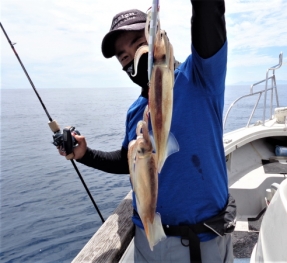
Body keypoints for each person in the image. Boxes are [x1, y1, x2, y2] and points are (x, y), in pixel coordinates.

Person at [59, 0, 235, 262]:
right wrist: (86, 154)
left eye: (139, 42)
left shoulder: (200, 76)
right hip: (148, 245)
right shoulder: (135, 112)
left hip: (204, 241)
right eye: (125, 56)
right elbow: (131, 162)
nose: (135, 56)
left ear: (155, 37)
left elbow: (209, 12)